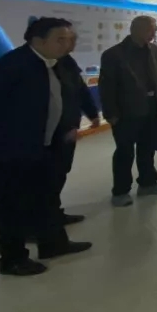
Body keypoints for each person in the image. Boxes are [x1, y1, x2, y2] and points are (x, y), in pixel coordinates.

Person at [0, 17, 93, 276]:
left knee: (46, 197)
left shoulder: (60, 63)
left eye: (70, 39)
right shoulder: (11, 67)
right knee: (10, 207)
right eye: (60, 39)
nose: (67, 44)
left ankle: (53, 243)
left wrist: (69, 125)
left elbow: (67, 97)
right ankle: (13, 259)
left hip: (44, 147)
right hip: (8, 151)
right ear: (38, 41)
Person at [99, 15, 157, 207]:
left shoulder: (155, 51)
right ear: (136, 29)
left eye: (155, 29)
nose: (154, 33)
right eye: (151, 29)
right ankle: (120, 191)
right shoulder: (114, 55)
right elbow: (107, 87)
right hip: (126, 112)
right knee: (125, 152)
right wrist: (111, 114)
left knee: (147, 149)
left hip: (151, 109)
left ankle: (148, 183)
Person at [52, 21, 101, 225]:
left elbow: (79, 90)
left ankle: (53, 213)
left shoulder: (66, 62)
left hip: (66, 132)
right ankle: (38, 223)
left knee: (58, 174)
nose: (71, 43)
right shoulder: (32, 67)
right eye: (64, 39)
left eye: (72, 39)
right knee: (43, 179)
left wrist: (92, 114)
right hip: (47, 136)